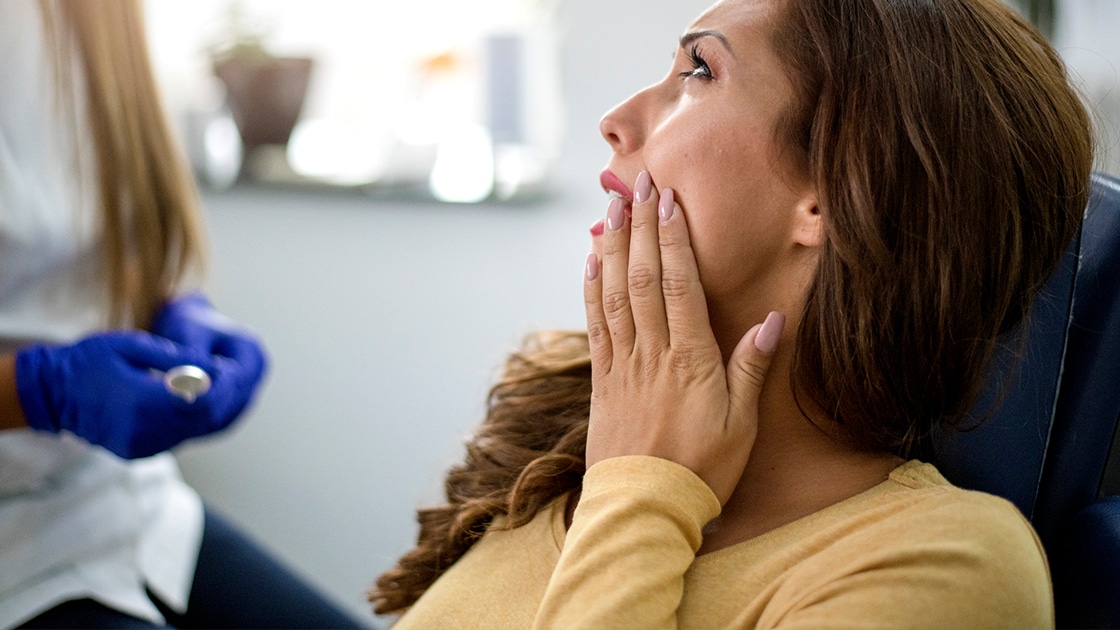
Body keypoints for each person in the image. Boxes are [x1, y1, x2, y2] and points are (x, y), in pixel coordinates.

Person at [370, 0, 1094, 627]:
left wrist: (643, 490)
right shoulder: (565, 428)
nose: (614, 121)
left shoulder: (946, 564)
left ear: (839, 194)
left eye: (699, 72)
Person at [0, 1, 365, 627]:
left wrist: (181, 316)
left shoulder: (93, 19)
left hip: (110, 501)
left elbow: (97, 239)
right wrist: (36, 391)